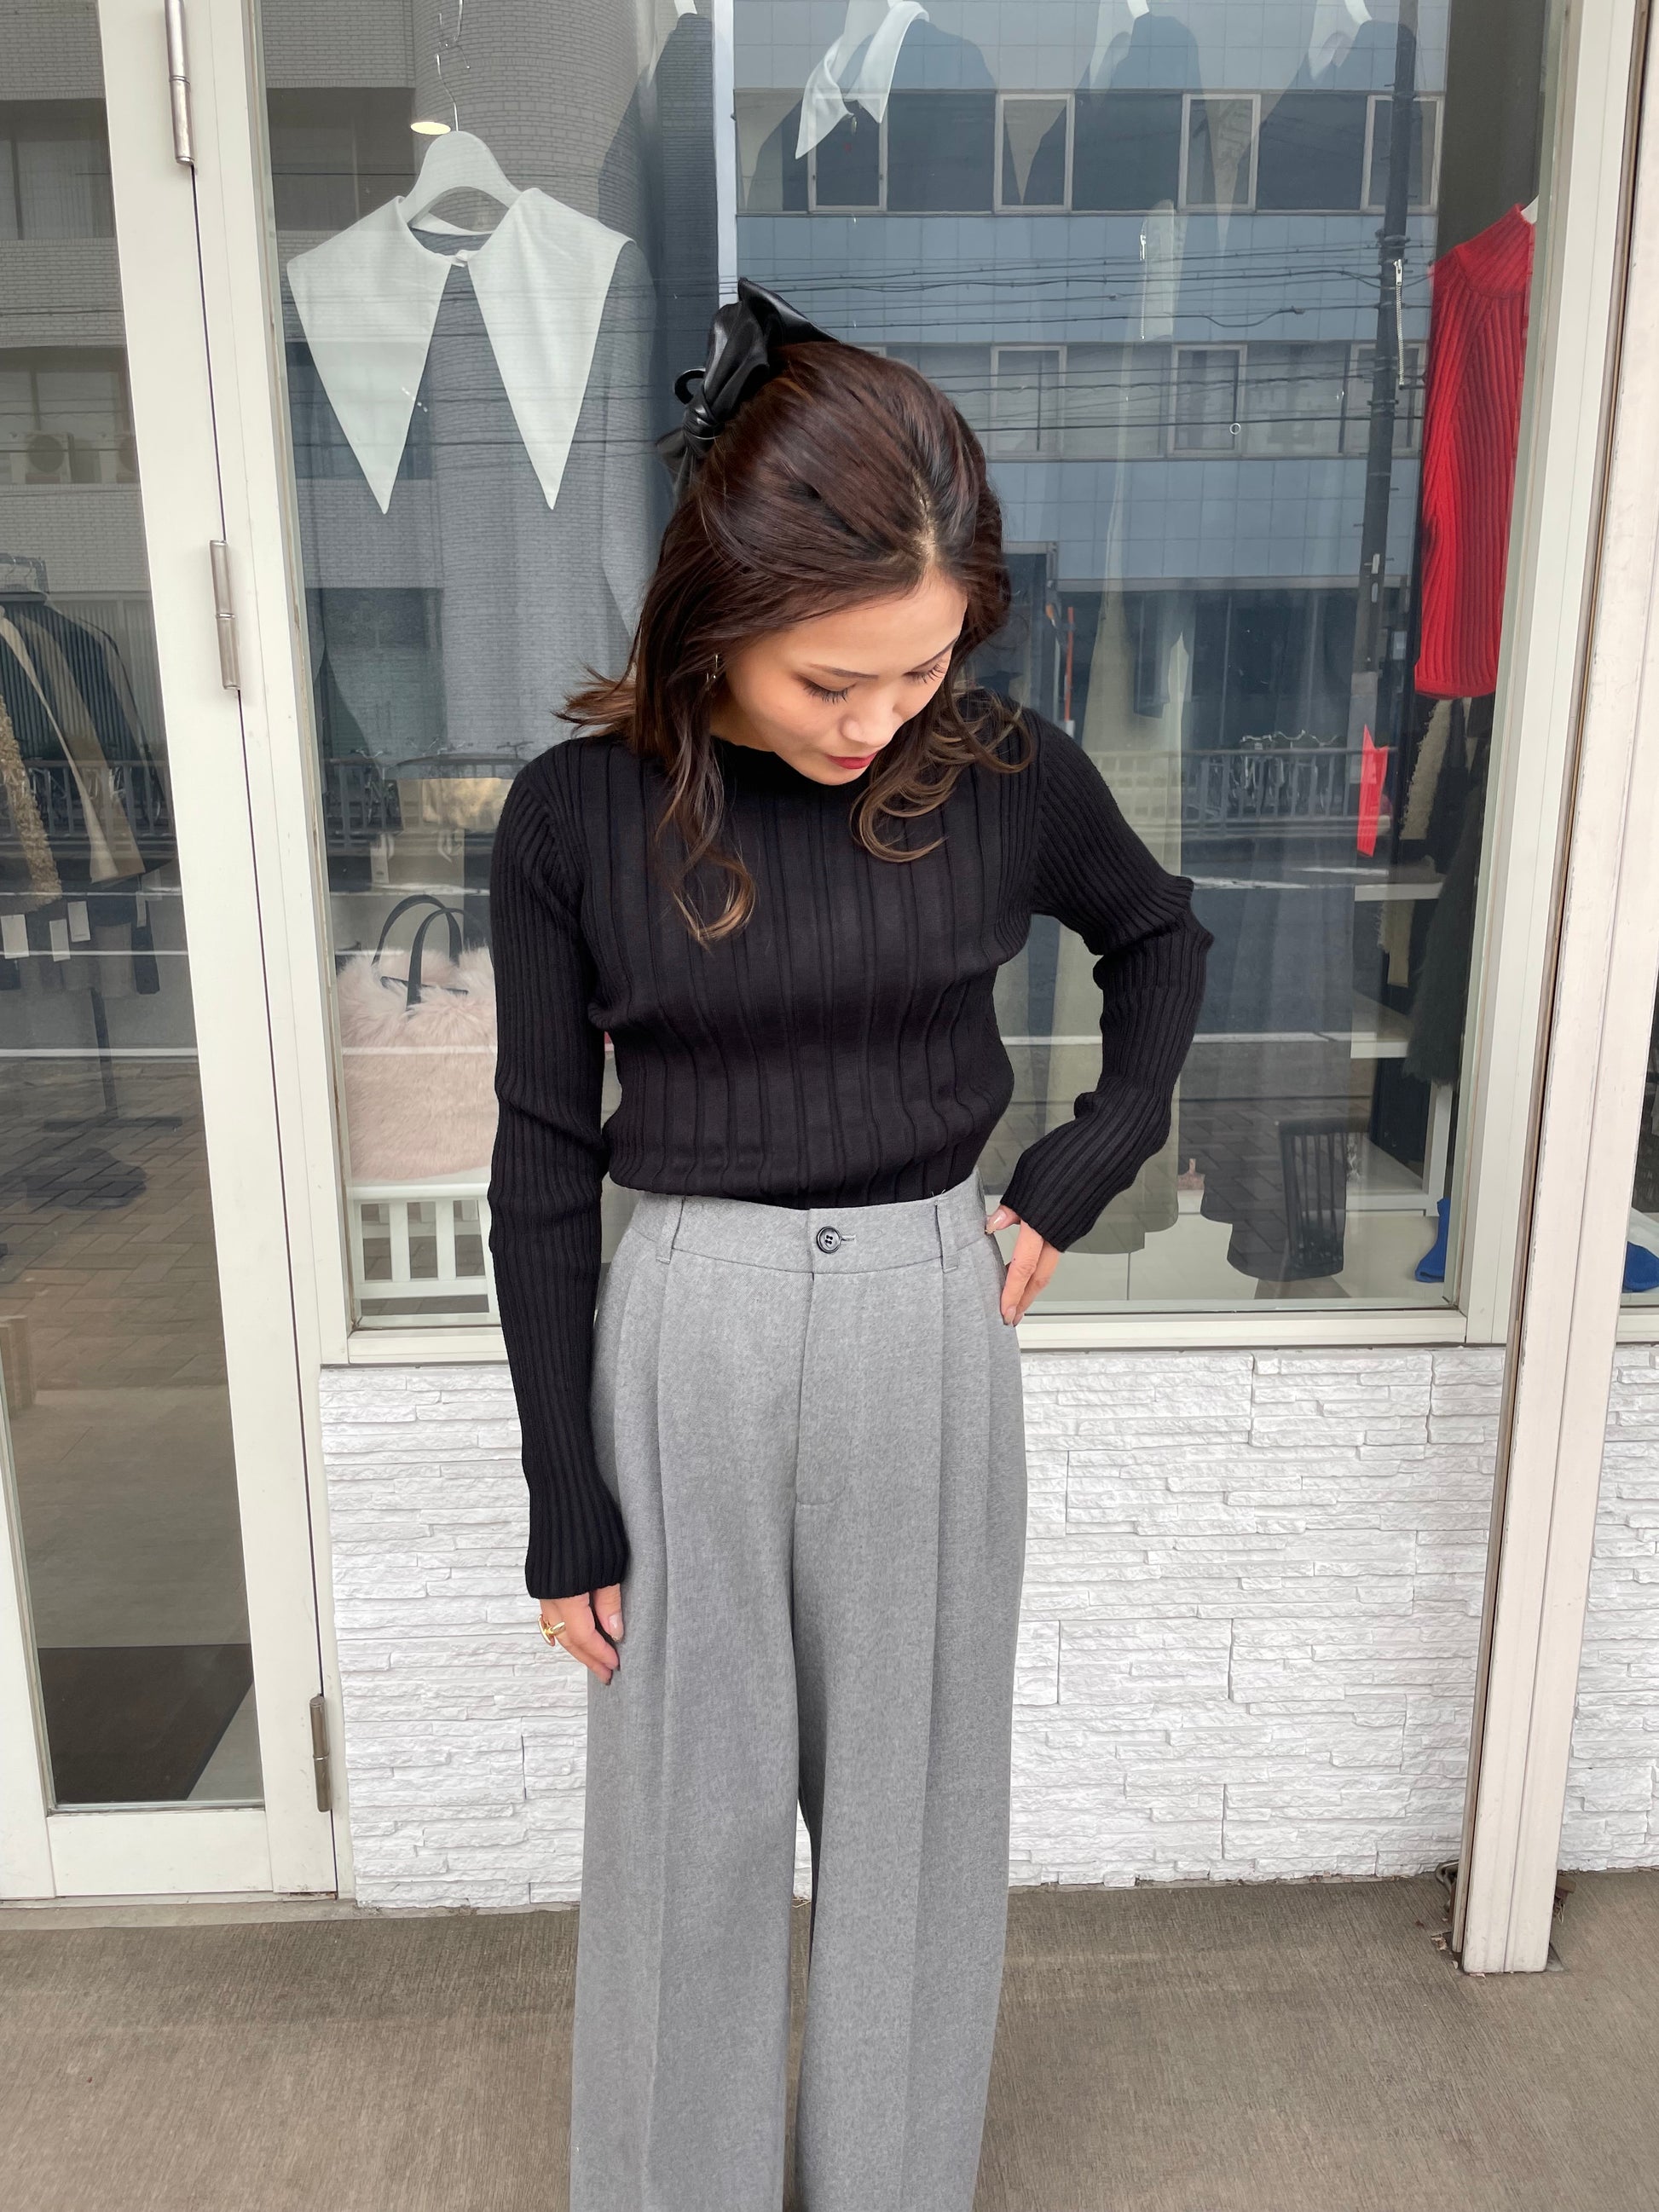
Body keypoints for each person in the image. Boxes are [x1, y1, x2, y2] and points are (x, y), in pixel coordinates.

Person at [487, 279, 1212, 2212]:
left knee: (913, 1822)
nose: (881, 718)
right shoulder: (572, 820)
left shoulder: (1002, 774)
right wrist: (565, 1495)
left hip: (926, 1314)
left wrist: (1078, 1167)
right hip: (687, 1330)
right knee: (685, 1831)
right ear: (716, 609)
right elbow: (543, 1155)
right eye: (833, 679)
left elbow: (1159, 939)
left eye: (921, 666)